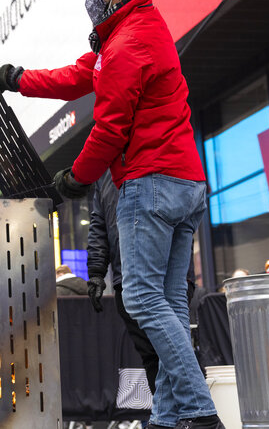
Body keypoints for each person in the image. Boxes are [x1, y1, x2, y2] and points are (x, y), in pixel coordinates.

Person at [0, 0, 223, 429]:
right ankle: (168, 419)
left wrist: (75, 180)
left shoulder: (126, 45)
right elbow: (75, 76)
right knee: (169, 302)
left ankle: (200, 413)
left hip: (150, 183)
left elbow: (109, 129)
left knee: (142, 299)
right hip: (184, 181)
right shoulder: (138, 29)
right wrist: (14, 78)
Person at [87, 169, 199, 396]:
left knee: (171, 352)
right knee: (154, 356)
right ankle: (176, 412)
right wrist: (96, 271)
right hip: (126, 277)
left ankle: (193, 409)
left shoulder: (155, 159)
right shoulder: (105, 175)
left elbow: (181, 215)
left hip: (166, 277)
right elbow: (99, 224)